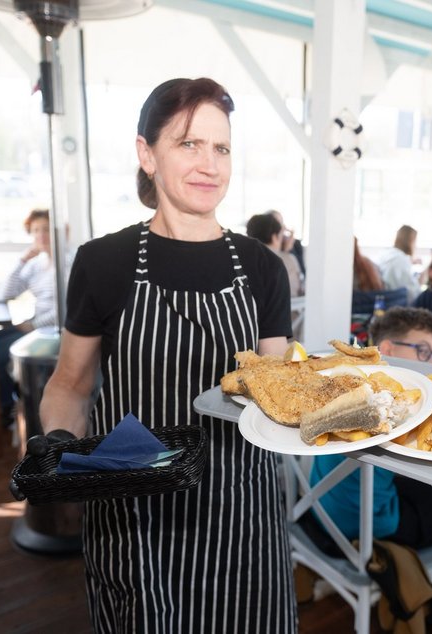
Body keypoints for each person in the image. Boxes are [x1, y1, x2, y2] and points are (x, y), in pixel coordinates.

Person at [38, 78, 296, 632]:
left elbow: (280, 390)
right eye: (188, 144)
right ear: (146, 154)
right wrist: (61, 449)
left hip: (242, 510)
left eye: (221, 147)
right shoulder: (103, 262)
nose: (209, 164)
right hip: (134, 515)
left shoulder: (263, 268)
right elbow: (71, 384)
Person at [310, 306, 432, 634]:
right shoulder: (402, 408)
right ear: (390, 349)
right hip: (366, 526)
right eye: (423, 350)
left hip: (321, 509)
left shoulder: (354, 382)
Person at [0, 208, 57, 426]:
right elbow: (7, 293)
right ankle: (8, 404)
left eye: (45, 229)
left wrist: (34, 325)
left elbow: (69, 308)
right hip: (32, 326)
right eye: (35, 231)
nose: (41, 236)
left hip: (49, 330)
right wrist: (23, 260)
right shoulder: (37, 264)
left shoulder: (68, 261)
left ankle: (7, 408)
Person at [246, 211, 304, 296]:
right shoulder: (285, 259)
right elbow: (299, 290)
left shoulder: (243, 258)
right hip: (291, 306)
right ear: (274, 237)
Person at [378, 224, 421, 303]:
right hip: (394, 302)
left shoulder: (388, 254)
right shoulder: (401, 260)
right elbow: (413, 294)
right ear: (411, 241)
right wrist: (421, 280)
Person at [267, 209, 305, 274]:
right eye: (277, 222)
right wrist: (285, 252)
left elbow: (301, 271)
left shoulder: (294, 243)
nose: (281, 226)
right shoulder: (268, 241)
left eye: (281, 221)